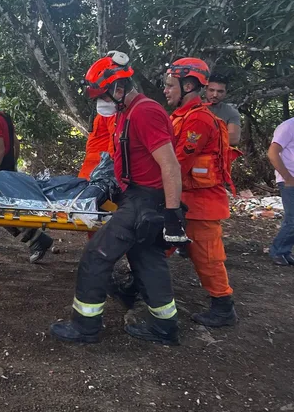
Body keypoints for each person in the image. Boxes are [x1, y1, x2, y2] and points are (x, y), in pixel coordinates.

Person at [50, 51, 186, 345]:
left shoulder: (144, 112)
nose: (103, 103)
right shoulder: (127, 113)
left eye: (104, 96)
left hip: (145, 201)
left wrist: (173, 215)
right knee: (147, 260)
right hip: (139, 197)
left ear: (118, 88)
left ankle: (85, 327)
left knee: (96, 255)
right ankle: (165, 327)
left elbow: (170, 164)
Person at [163, 57, 237, 327]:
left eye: (170, 85)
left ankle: (223, 305)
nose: (165, 90)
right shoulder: (179, 117)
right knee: (158, 247)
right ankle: (137, 287)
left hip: (200, 203)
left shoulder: (199, 121)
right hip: (181, 199)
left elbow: (177, 164)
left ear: (189, 85)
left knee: (207, 257)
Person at [0, 83, 53, 263]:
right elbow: (16, 144)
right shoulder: (5, 117)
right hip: (7, 170)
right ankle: (34, 239)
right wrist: (12, 166)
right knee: (0, 211)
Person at [267, 117, 294, 266]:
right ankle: (278, 252)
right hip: (290, 180)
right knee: (293, 219)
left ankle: (285, 252)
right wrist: (287, 177)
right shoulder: (289, 126)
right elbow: (272, 153)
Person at [205, 73, 241, 146]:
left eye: (220, 91)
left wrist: (203, 138)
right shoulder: (194, 106)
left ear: (226, 92)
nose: (215, 95)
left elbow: (233, 139)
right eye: (211, 90)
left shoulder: (231, 112)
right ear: (206, 89)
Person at [78, 114, 116, 181]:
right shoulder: (103, 112)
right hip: (91, 164)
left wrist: (110, 163)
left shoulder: (110, 112)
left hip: (101, 166)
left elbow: (115, 140)